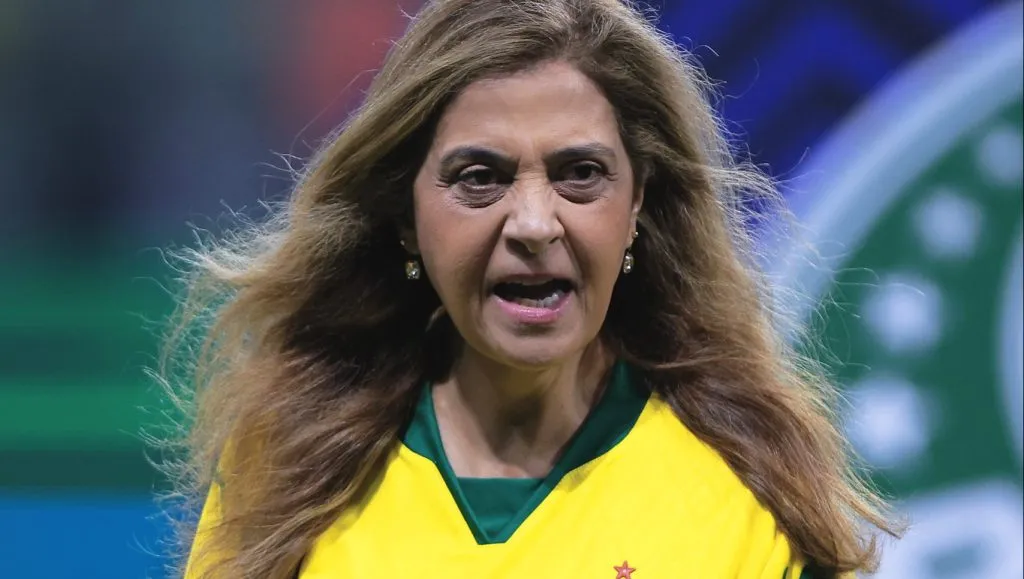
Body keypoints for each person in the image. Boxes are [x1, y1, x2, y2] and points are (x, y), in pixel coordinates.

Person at [169, 0, 900, 577]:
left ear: (637, 203)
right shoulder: (289, 469)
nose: (532, 222)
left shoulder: (752, 490)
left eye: (580, 173)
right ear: (404, 216)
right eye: (479, 177)